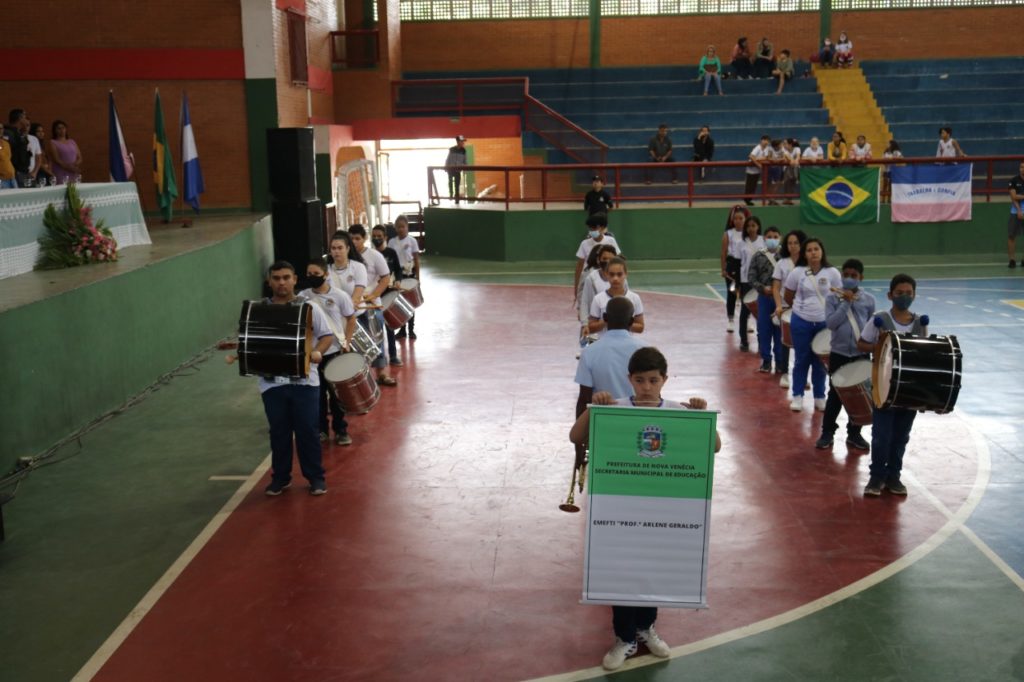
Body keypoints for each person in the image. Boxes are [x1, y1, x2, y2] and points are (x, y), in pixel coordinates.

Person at [569, 346, 720, 671]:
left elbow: (715, 445)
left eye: (653, 380)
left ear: (665, 379)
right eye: (640, 380)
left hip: (661, 513)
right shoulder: (615, 409)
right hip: (619, 511)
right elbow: (575, 435)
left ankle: (645, 627)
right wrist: (593, 409)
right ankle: (624, 638)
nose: (647, 387)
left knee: (653, 570)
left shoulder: (679, 411)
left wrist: (701, 416)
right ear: (630, 380)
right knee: (621, 573)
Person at [260, 261, 335, 496]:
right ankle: (280, 478)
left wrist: (318, 352)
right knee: (278, 432)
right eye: (276, 278)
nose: (281, 282)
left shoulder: (309, 307)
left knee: (307, 431)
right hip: (272, 384)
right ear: (269, 281)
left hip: (305, 382)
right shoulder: (260, 310)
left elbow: (327, 336)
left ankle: (316, 478)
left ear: (294, 279)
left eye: (286, 277)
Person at [856, 274, 929, 496]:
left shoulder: (919, 323)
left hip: (908, 391)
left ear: (914, 296)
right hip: (883, 387)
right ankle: (876, 478)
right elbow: (861, 344)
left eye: (908, 293)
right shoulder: (879, 319)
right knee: (881, 436)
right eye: (899, 293)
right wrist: (879, 346)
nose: (904, 297)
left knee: (901, 436)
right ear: (890, 295)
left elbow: (922, 353)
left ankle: (893, 477)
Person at [815, 258, 875, 451]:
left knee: (859, 395)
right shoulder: (833, 298)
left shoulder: (869, 300)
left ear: (861, 278)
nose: (849, 278)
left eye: (854, 275)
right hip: (839, 354)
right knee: (836, 394)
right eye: (846, 274)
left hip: (861, 354)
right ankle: (827, 432)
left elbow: (870, 327)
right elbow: (832, 323)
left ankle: (854, 434)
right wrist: (846, 304)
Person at [299, 257, 357, 447]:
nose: (312, 277)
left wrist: (346, 342)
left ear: (325, 274)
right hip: (313, 354)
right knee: (318, 394)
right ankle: (321, 429)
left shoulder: (340, 296)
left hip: (333, 352)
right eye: (309, 274)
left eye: (316, 274)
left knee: (337, 395)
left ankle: (341, 430)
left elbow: (351, 319)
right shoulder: (303, 296)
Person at [783, 238, 841, 412]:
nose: (813, 252)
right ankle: (797, 396)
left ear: (822, 251)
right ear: (804, 254)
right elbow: (788, 295)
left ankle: (819, 397)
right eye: (809, 250)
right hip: (801, 321)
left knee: (820, 362)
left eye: (816, 249)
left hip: (824, 323)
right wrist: (802, 308)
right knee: (801, 360)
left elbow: (839, 297)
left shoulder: (832, 273)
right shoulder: (797, 272)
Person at [349, 225, 397, 386]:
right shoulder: (347, 257)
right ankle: (360, 376)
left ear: (364, 239)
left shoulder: (375, 255)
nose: (355, 241)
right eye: (352, 238)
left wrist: (374, 295)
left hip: (371, 304)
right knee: (355, 342)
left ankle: (382, 373)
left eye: (358, 238)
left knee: (377, 338)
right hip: (352, 307)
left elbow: (385, 277)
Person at [772, 229, 807, 387]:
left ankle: (802, 375)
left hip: (804, 309)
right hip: (786, 308)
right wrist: (779, 306)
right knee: (785, 341)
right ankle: (784, 373)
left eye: (796, 243)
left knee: (803, 343)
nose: (793, 246)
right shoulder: (782, 263)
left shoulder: (808, 263)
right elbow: (776, 287)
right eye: (790, 243)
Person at [749, 226, 785, 373]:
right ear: (764, 238)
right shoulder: (758, 256)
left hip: (781, 300)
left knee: (780, 331)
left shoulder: (785, 257)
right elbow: (751, 277)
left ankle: (780, 363)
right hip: (764, 298)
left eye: (775, 236)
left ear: (780, 238)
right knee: (764, 330)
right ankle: (766, 361)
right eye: (769, 236)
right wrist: (762, 288)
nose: (772, 239)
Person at [372, 225, 405, 363]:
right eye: (374, 236)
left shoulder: (391, 253)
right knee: (375, 329)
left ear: (385, 237)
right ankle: (376, 358)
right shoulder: (370, 255)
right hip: (374, 296)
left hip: (389, 294)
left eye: (379, 236)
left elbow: (398, 270)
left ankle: (393, 356)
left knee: (390, 326)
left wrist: (398, 280)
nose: (377, 238)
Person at [588, 257, 644, 336]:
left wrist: (624, 323)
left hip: (626, 344)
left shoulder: (635, 298)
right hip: (605, 345)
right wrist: (605, 322)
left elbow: (640, 327)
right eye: (612, 274)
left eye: (619, 274)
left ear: (626, 274)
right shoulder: (598, 299)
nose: (615, 278)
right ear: (606, 275)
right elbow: (591, 328)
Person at [578, 244, 618, 349]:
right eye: (604, 258)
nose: (608, 261)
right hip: (594, 325)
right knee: (588, 353)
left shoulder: (620, 278)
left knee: (610, 355)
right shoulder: (591, 278)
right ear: (598, 260)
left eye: (611, 259)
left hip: (612, 327)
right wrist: (584, 323)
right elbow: (585, 302)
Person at [388, 215, 421, 340]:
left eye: (403, 226)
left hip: (409, 273)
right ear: (395, 228)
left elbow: (417, 260)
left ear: (407, 227)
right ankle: (402, 330)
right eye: (398, 227)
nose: (401, 229)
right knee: (400, 303)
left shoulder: (412, 241)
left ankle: (411, 330)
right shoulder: (391, 242)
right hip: (398, 275)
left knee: (411, 303)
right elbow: (390, 260)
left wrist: (418, 277)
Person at [573, 213, 621, 297]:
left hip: (606, 278)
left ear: (602, 228)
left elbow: (618, 260)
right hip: (589, 279)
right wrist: (576, 287)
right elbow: (579, 267)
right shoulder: (585, 244)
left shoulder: (611, 241)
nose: (592, 230)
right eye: (590, 228)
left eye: (594, 228)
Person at [720, 204, 750, 332]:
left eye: (741, 218)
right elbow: (723, 252)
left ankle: (747, 321)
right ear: (732, 220)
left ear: (745, 219)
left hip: (745, 264)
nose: (738, 221)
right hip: (732, 265)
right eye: (736, 218)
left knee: (746, 294)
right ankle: (731, 320)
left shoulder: (749, 234)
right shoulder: (728, 234)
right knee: (732, 292)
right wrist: (723, 269)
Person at [737, 215, 765, 351]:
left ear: (758, 227)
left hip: (760, 281)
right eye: (748, 226)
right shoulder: (741, 243)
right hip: (746, 281)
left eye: (753, 225)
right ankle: (743, 340)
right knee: (745, 311)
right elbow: (738, 262)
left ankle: (761, 342)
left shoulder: (763, 241)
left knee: (761, 312)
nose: (751, 228)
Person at [46, 119, 82, 184]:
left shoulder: (72, 141)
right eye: (59, 128)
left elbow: (79, 157)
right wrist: (69, 167)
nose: (61, 130)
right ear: (55, 130)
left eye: (63, 128)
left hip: (73, 171)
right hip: (61, 171)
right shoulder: (52, 142)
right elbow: (57, 160)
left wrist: (75, 165)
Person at [3, 110, 31, 188]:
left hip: (22, 171)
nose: (26, 120)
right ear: (20, 118)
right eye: (25, 118)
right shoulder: (8, 133)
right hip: (13, 172)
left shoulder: (19, 133)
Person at [744, 135, 772, 206]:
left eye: (767, 141)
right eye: (764, 140)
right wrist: (758, 164)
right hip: (751, 170)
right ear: (761, 140)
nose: (766, 142)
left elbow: (766, 157)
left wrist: (760, 159)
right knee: (750, 185)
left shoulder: (767, 148)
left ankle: (749, 199)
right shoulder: (757, 148)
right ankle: (747, 199)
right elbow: (751, 156)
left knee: (754, 186)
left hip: (757, 171)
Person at [1008, 160, 1024, 268]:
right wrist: (1019, 210)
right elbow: (1013, 197)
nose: (1023, 169)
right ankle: (1012, 260)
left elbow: (1017, 196)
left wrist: (1020, 196)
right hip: (1015, 212)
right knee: (1011, 236)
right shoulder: (1013, 180)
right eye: (1021, 167)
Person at [444, 135, 467, 203]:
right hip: (450, 169)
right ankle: (451, 195)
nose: (463, 142)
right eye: (461, 141)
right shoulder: (452, 149)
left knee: (457, 184)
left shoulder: (463, 150)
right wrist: (446, 166)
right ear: (458, 141)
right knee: (450, 182)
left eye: (463, 141)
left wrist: (465, 167)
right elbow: (448, 159)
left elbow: (465, 161)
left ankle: (456, 199)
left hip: (458, 170)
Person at [780, 138, 801, 204]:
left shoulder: (797, 149)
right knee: (787, 183)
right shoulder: (783, 149)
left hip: (796, 168)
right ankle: (787, 199)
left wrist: (796, 160)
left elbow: (798, 156)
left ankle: (790, 199)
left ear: (790, 144)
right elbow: (788, 157)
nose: (784, 145)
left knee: (793, 183)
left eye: (785, 144)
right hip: (787, 168)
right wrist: (792, 160)